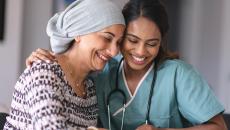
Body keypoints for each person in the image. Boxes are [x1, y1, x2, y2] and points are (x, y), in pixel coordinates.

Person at [25, 0, 227, 130]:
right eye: (132, 40)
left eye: (152, 44)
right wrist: (54, 59)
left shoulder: (179, 75)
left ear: (161, 42)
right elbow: (74, 65)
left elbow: (219, 127)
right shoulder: (102, 72)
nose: (140, 52)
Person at [4, 0, 125, 129]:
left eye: (118, 43)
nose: (114, 52)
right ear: (79, 32)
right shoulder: (44, 72)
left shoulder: (89, 88)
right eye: (107, 38)